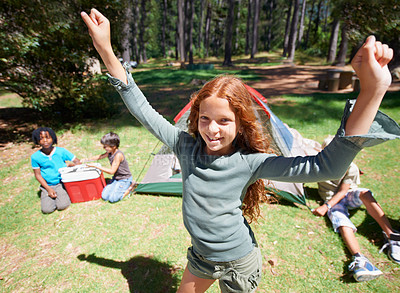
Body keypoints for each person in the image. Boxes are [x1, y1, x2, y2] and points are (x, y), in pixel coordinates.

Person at [81, 8, 399, 292]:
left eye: (223, 120)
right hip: (201, 258)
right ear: (195, 119)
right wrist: (106, 50)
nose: (212, 129)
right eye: (205, 118)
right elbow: (142, 108)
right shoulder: (185, 147)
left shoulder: (250, 162)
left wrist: (372, 92)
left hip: (238, 263)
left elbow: (324, 168)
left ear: (240, 123)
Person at [313, 136, 400, 282]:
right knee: (341, 221)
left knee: (365, 193)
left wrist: (325, 207)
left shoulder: (351, 167)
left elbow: (342, 192)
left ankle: (392, 235)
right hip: (332, 200)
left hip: (345, 196)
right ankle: (360, 259)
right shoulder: (319, 163)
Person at [31, 127, 80, 214]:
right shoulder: (35, 157)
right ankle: (46, 192)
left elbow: (76, 161)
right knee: (47, 210)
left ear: (53, 138)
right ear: (37, 141)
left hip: (61, 183)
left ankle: (63, 193)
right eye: (41, 138)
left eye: (48, 137)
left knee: (62, 205)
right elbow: (38, 175)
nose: (45, 140)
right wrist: (48, 189)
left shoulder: (61, 151)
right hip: (47, 184)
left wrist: (70, 167)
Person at [82, 132, 133, 203]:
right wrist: (87, 159)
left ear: (114, 146)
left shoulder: (118, 155)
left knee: (113, 199)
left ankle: (131, 187)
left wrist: (96, 166)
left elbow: (112, 171)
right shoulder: (110, 152)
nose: (104, 148)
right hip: (116, 178)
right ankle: (116, 186)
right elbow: (100, 156)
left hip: (124, 179)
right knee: (105, 197)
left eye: (105, 146)